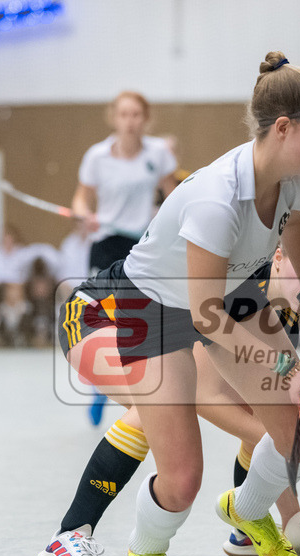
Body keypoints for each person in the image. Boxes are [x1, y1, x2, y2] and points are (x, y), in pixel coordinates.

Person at [52, 52, 300, 556]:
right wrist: (284, 363)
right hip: (155, 307)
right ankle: (144, 552)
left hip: (233, 292)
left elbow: (296, 223)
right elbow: (205, 313)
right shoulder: (217, 199)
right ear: (284, 128)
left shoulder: (296, 177)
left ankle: (247, 510)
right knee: (183, 478)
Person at [40, 218, 300, 556]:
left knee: (260, 406)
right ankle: (69, 533)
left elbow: (267, 414)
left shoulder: (288, 312)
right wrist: (289, 447)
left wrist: (291, 515)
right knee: (161, 402)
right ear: (279, 257)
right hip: (96, 316)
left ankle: (246, 526)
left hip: (154, 327)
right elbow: (205, 396)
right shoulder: (244, 292)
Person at [72, 91, 179, 425]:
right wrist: (84, 215)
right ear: (114, 118)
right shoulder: (97, 156)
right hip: (105, 243)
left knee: (134, 321)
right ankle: (98, 388)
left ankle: (136, 389)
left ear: (145, 119)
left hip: (142, 245)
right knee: (104, 319)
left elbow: (174, 195)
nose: (130, 121)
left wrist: (168, 220)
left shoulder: (158, 153)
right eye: (124, 114)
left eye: (136, 115)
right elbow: (80, 200)